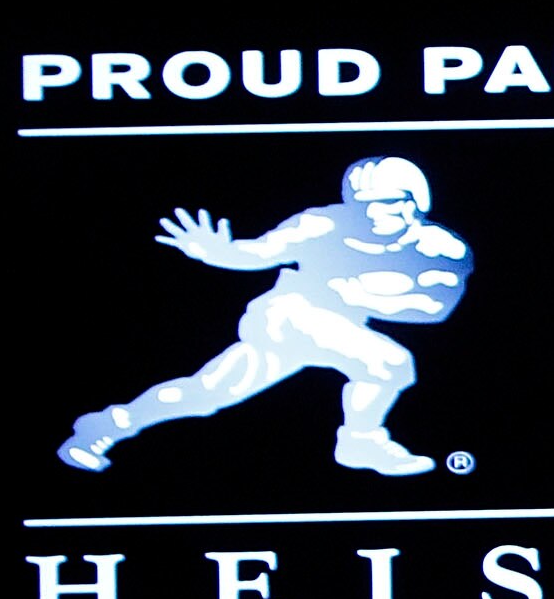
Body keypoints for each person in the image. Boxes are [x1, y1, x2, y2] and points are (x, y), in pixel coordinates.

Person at [58, 155, 469, 476]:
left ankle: (105, 427)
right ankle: (360, 441)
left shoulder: (441, 249)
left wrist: (364, 295)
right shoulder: (322, 224)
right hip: (287, 316)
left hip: (338, 326)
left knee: (204, 394)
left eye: (391, 204)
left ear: (417, 201)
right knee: (389, 362)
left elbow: (434, 307)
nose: (377, 214)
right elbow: (260, 251)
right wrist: (221, 254)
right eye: (366, 205)